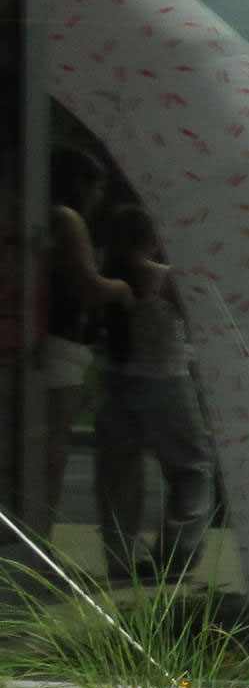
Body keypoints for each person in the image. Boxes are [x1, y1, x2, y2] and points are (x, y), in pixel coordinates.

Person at [94, 202, 216, 580]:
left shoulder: (104, 277)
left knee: (119, 477)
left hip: (115, 383)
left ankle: (120, 560)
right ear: (151, 237)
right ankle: (176, 557)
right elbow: (201, 319)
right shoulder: (162, 278)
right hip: (165, 382)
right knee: (191, 469)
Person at [43, 147, 132, 538]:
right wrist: (121, 289)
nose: (99, 199)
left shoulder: (40, 214)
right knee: (53, 449)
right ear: (80, 184)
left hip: (50, 343)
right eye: (97, 189)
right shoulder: (66, 218)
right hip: (61, 343)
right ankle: (39, 538)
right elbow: (87, 284)